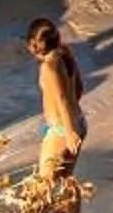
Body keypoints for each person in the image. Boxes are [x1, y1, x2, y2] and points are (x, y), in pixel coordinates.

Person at [24, 19, 87, 183]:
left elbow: (61, 99)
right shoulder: (65, 55)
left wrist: (68, 131)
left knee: (44, 186)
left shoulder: (48, 67)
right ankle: (72, 209)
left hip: (62, 130)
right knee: (64, 183)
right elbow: (79, 89)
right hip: (78, 123)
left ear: (33, 44)